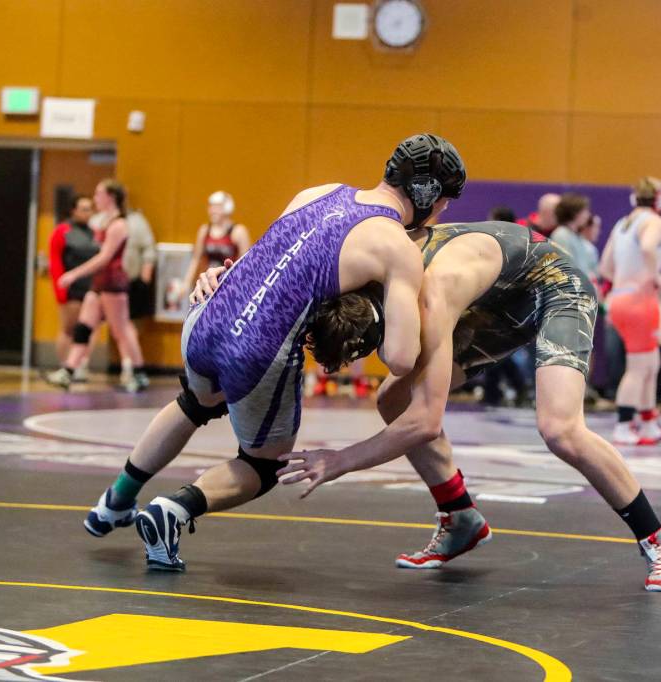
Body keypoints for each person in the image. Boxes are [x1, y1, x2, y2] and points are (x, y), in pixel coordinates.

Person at [81, 134, 466, 572]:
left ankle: (115, 500)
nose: (442, 214)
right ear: (427, 194)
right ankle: (173, 511)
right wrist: (404, 321)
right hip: (259, 349)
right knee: (263, 466)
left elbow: (267, 260)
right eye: (444, 204)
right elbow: (399, 357)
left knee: (193, 402)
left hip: (209, 312)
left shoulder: (320, 191)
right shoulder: (397, 248)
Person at [276, 219, 661, 592]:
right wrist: (217, 278)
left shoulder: (431, 297)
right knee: (393, 398)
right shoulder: (351, 274)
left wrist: (340, 461)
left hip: (554, 285)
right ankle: (460, 517)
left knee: (561, 429)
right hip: (496, 297)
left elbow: (424, 423)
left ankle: (658, 540)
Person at [46, 180, 149, 392]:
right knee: (84, 326)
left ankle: (139, 372)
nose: (95, 199)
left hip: (113, 284)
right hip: (99, 283)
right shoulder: (102, 222)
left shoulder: (119, 225)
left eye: (98, 194)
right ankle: (69, 370)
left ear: (111, 197)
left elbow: (104, 257)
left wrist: (73, 274)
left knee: (121, 329)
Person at [598, 177, 661, 445]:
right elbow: (648, 247)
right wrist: (655, 277)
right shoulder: (654, 221)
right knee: (639, 367)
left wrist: (628, 278)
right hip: (640, 301)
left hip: (619, 298)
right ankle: (623, 425)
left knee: (652, 363)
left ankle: (649, 422)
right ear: (659, 198)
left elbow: (606, 266)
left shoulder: (623, 224)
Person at [480, 206, 528, 407]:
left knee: (492, 349)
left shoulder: (499, 242)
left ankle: (500, 391)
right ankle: (508, 389)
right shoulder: (518, 242)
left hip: (500, 301)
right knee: (494, 349)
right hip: (506, 300)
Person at [48, 195, 100, 379]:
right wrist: (61, 292)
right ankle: (65, 366)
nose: (88, 213)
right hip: (71, 289)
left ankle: (80, 365)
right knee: (69, 328)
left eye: (90, 209)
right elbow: (54, 262)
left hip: (91, 288)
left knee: (88, 329)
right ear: (74, 210)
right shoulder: (63, 231)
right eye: (84, 209)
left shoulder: (95, 232)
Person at [181, 191, 251, 297]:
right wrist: (186, 283)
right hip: (208, 283)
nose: (213, 210)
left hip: (230, 285)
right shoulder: (204, 230)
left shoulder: (238, 231)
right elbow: (196, 259)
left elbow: (247, 262)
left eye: (217, 207)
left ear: (227, 208)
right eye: (211, 207)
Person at [121, 201, 158, 384]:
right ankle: (77, 365)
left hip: (132, 281)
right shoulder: (101, 220)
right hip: (108, 283)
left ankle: (133, 368)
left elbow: (149, 250)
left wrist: (145, 276)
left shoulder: (136, 221)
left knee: (129, 326)